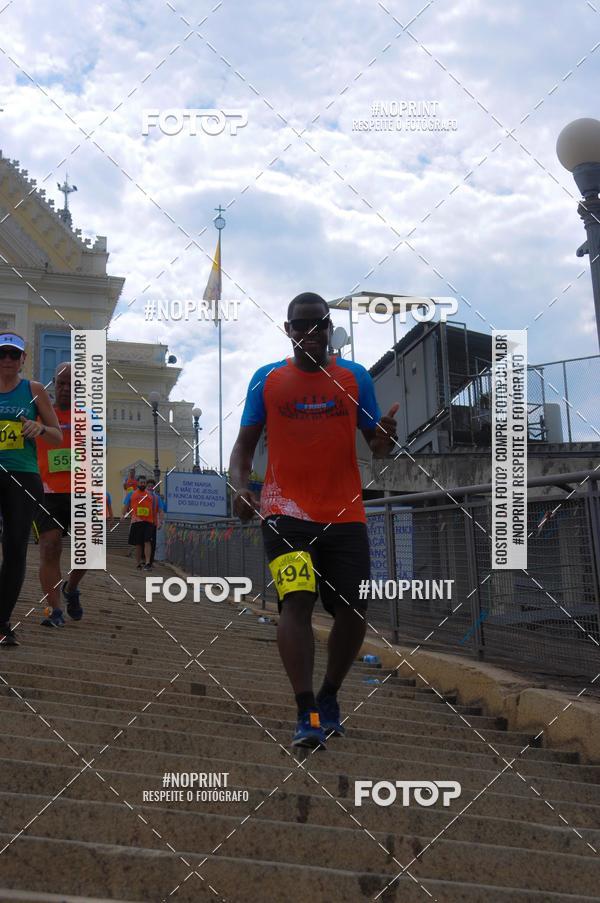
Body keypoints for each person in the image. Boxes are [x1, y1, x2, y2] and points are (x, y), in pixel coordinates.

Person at [229, 293, 398, 748]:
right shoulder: (266, 380)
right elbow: (243, 449)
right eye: (301, 326)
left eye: (319, 326)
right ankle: (306, 711)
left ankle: (329, 695)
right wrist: (241, 487)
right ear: (288, 330)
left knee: (354, 610)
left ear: (328, 330)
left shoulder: (355, 378)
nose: (311, 334)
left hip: (345, 514)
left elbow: (377, 445)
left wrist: (385, 439)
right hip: (284, 512)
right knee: (297, 601)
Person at [0, 333, 62, 647]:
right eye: (3, 355)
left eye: (14, 355)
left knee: (14, 549)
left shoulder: (33, 390)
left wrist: (39, 428)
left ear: (23, 359)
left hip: (22, 477)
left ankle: (2, 621)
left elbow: (56, 436)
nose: (8, 361)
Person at [33, 362, 88, 628]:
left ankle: (71, 588)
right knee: (50, 546)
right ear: (53, 384)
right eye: (61, 383)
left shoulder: (88, 421)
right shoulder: (40, 416)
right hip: (46, 493)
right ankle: (54, 610)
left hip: (80, 493)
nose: (66, 388)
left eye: (73, 384)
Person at [121, 474, 154, 570]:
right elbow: (126, 505)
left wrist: (157, 520)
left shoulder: (150, 495)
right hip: (136, 521)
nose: (143, 484)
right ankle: (138, 563)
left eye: (144, 483)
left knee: (147, 541)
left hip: (148, 522)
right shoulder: (132, 494)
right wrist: (123, 515)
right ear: (138, 483)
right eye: (141, 483)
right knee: (138, 544)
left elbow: (153, 508)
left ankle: (147, 563)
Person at [145, 477, 165, 566]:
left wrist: (160, 521)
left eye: (151, 486)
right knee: (144, 542)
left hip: (152, 523)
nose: (150, 488)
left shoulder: (157, 498)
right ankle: (145, 559)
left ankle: (150, 561)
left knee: (151, 542)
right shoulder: (142, 496)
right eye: (148, 486)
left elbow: (161, 510)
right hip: (142, 522)